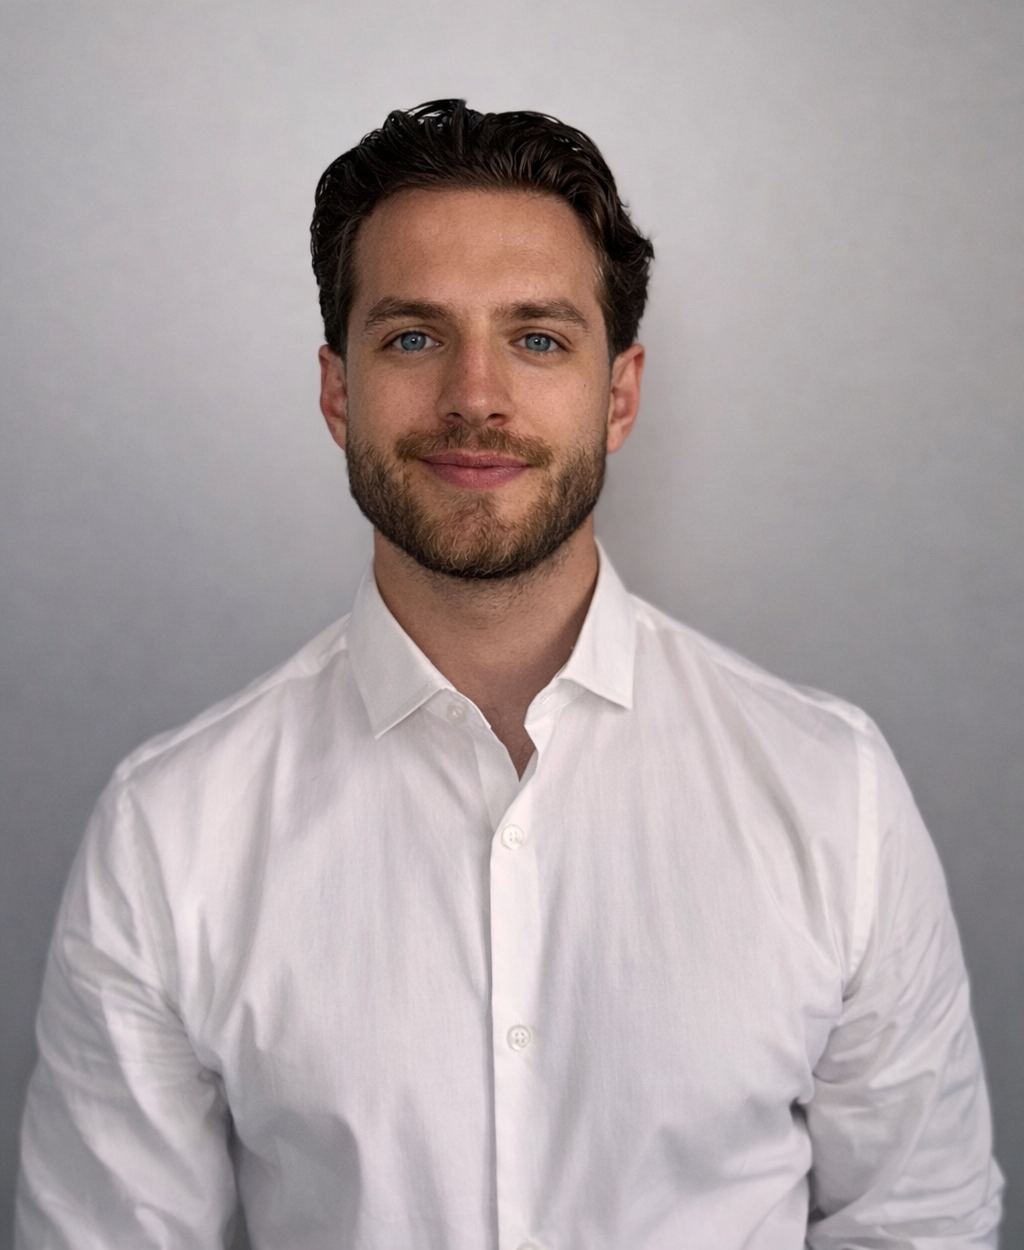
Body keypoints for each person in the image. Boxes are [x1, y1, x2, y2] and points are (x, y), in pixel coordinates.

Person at [16, 99, 1002, 1250]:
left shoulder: (833, 793)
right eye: (412, 336)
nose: (474, 395)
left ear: (619, 393)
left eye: (536, 338)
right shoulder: (169, 830)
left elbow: (917, 1223)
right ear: (338, 391)